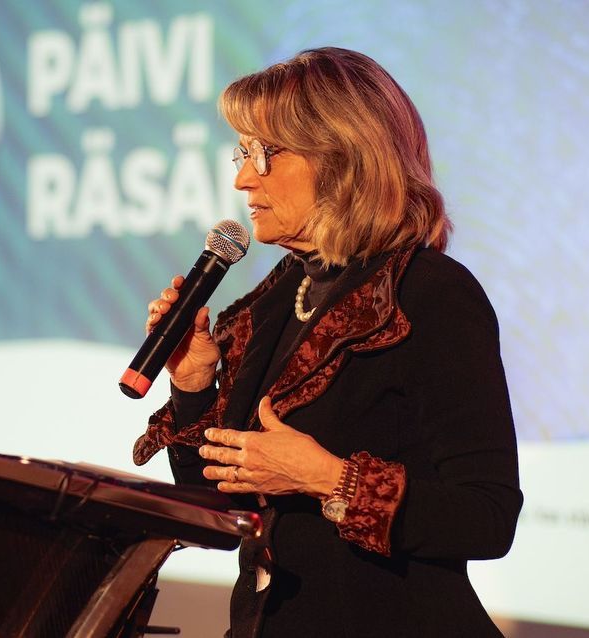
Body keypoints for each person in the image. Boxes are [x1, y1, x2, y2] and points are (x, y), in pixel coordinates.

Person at [133, 47, 522, 637]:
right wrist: (192, 384)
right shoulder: (275, 300)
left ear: (341, 157)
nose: (242, 178)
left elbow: (487, 517)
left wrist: (328, 479)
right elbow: (217, 504)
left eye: (262, 154)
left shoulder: (428, 293)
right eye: (241, 154)